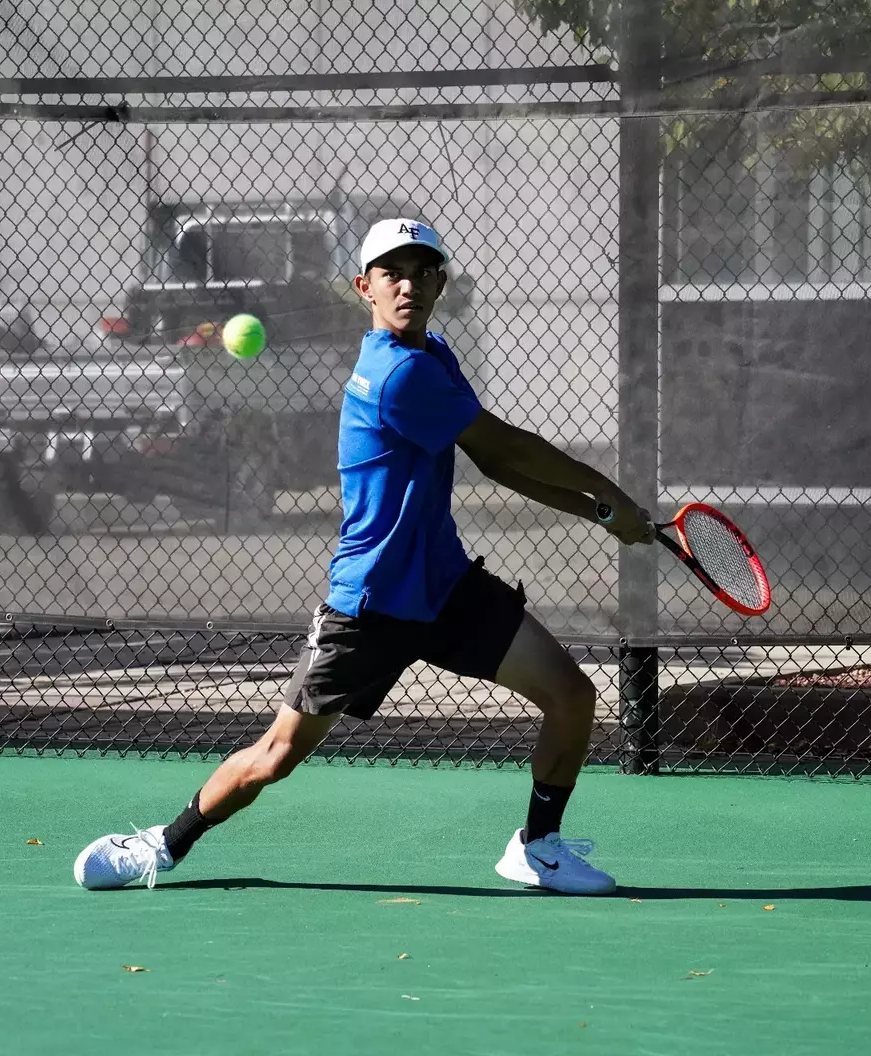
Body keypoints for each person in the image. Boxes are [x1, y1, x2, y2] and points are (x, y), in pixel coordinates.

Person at [73, 217, 652, 895]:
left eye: (421, 271)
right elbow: (505, 447)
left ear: (440, 282)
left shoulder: (434, 356)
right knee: (276, 755)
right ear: (364, 287)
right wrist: (608, 492)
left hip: (443, 587)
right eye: (391, 273)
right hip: (371, 602)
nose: (408, 285)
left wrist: (600, 513)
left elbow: (492, 463)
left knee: (571, 694)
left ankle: (538, 846)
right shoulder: (397, 374)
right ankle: (160, 846)